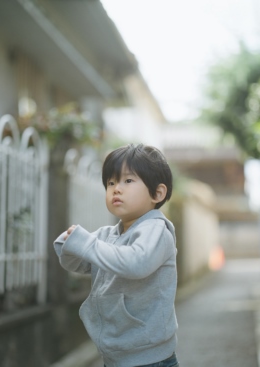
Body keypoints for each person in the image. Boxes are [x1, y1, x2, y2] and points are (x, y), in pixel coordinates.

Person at [53, 143, 179, 367]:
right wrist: (68, 244)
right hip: (115, 356)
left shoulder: (156, 230)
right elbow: (80, 263)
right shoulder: (109, 234)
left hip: (150, 358)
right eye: (111, 183)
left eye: (128, 181)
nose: (116, 189)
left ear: (157, 193)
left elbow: (136, 263)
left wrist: (87, 244)